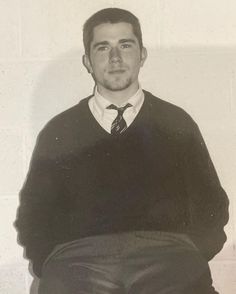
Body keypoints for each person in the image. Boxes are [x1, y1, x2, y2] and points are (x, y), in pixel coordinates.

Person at [15, 8, 229, 294]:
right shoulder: (60, 132)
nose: (115, 58)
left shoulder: (176, 123)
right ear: (87, 62)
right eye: (102, 48)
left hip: (166, 263)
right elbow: (33, 214)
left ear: (142, 54)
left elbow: (211, 204)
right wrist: (52, 264)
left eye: (125, 45)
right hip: (80, 266)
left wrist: (189, 257)